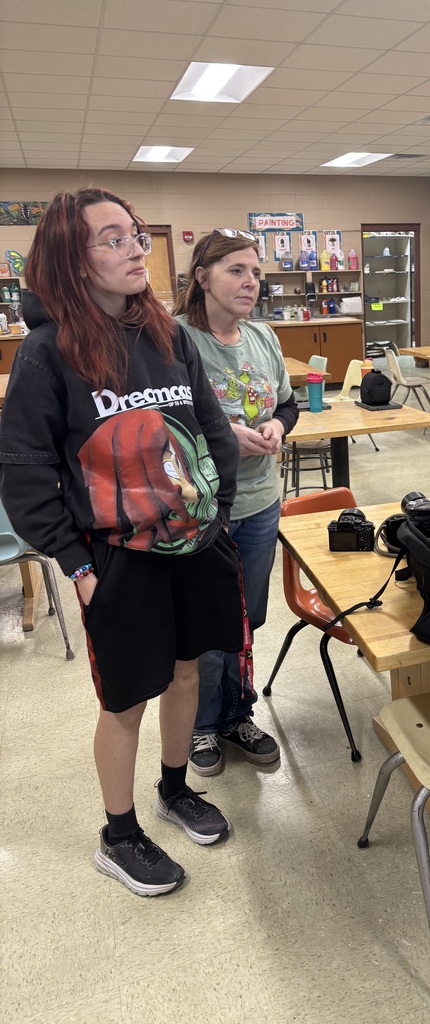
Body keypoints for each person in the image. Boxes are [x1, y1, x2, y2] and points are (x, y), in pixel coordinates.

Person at [0, 187, 246, 896]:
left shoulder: (168, 336)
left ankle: (174, 788)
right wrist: (77, 564)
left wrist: (219, 512)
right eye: (113, 239)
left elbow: (212, 429)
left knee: (187, 674)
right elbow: (25, 472)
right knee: (125, 699)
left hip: (193, 543)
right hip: (114, 558)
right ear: (72, 260)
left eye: (134, 234)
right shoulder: (46, 353)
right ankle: (119, 835)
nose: (136, 248)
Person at [173, 230, 298, 776]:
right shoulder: (175, 339)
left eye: (256, 273)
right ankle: (201, 725)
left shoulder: (263, 337)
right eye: (237, 271)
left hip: (260, 502)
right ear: (202, 277)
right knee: (207, 622)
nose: (251, 283)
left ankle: (236, 714)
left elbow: (288, 405)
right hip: (201, 510)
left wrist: (277, 425)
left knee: (246, 620)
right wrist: (225, 434)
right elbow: (159, 422)